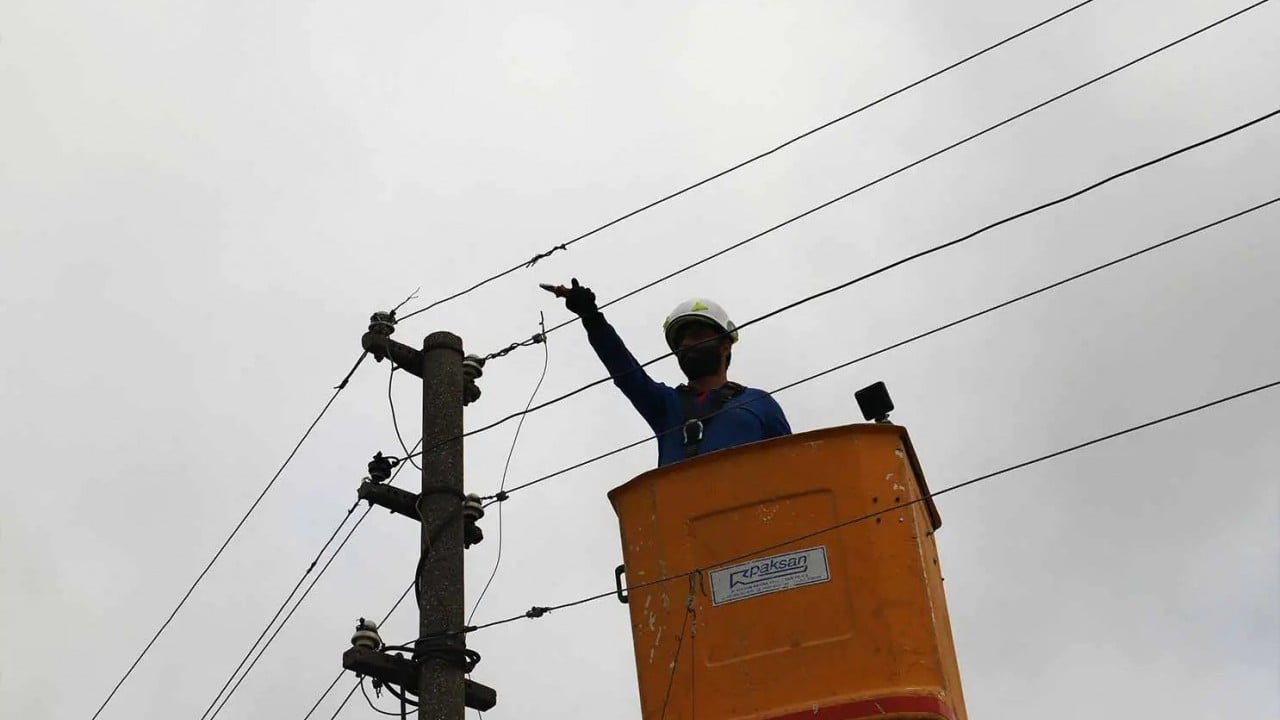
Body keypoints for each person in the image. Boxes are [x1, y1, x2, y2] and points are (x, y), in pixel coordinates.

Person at [547, 279, 791, 467]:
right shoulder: (667, 405)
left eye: (696, 334)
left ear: (725, 344)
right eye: (680, 340)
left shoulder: (760, 404)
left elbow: (793, 467)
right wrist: (592, 319)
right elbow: (626, 372)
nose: (686, 343)